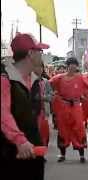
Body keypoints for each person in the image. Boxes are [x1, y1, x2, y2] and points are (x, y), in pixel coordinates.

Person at [1, 33, 49, 180]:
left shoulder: (35, 81)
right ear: (30, 53)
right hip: (10, 153)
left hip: (33, 151)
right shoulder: (5, 79)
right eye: (39, 51)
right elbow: (3, 114)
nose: (42, 54)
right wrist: (20, 141)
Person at [49, 57, 88, 163]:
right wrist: (53, 94)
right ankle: (62, 155)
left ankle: (82, 155)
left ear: (76, 67)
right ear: (67, 66)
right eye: (71, 65)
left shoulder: (80, 78)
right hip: (63, 106)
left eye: (75, 65)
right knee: (63, 129)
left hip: (76, 106)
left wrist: (84, 97)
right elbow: (47, 84)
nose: (73, 67)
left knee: (79, 128)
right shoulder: (58, 78)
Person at [34, 61, 53, 146]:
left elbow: (51, 95)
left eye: (41, 67)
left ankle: (43, 149)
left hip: (45, 110)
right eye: (37, 67)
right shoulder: (30, 81)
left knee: (45, 132)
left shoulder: (46, 81)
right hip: (34, 111)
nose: (39, 69)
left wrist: (43, 97)